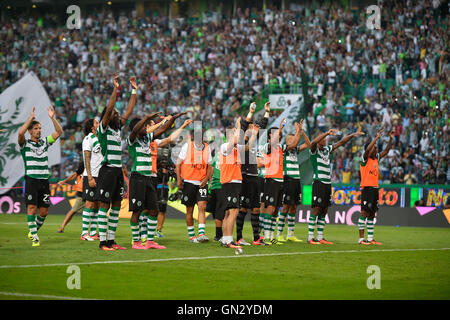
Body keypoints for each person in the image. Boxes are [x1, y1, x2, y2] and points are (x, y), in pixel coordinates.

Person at [96, 75, 137, 251]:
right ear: (107, 115)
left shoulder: (117, 128)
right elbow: (110, 107)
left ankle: (111, 241)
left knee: (116, 207)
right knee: (104, 207)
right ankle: (102, 242)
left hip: (118, 171)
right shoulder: (103, 128)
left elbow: (129, 110)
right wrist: (116, 88)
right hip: (106, 171)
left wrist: (134, 90)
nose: (117, 113)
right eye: (114, 113)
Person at [307, 127, 364, 245]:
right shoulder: (313, 150)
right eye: (323, 138)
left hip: (328, 183)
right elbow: (312, 143)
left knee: (324, 210)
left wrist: (352, 135)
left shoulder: (327, 149)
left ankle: (320, 237)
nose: (325, 140)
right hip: (318, 182)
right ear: (319, 139)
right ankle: (310, 237)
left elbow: (341, 142)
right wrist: (326, 132)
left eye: (326, 138)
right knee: (316, 209)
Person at [127, 112, 174, 249]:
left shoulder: (148, 138)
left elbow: (163, 130)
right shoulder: (131, 139)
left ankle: (149, 241)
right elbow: (137, 130)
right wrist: (147, 118)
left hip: (148, 178)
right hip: (137, 177)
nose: (145, 129)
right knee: (137, 211)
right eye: (143, 127)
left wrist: (172, 120)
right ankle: (136, 242)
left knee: (154, 209)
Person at [18, 106, 63, 247]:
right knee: (31, 208)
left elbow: (59, 132)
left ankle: (33, 230)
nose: (39, 130)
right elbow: (20, 133)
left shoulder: (45, 142)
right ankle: (35, 238)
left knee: (44, 211)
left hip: (44, 181)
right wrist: (30, 119)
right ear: (30, 131)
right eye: (36, 128)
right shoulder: (25, 144)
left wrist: (52, 118)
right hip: (31, 179)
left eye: (39, 128)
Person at [259, 119, 303, 245]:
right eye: (276, 134)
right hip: (271, 180)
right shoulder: (267, 147)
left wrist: (298, 131)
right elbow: (272, 143)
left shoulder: (280, 148)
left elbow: (294, 144)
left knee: (276, 209)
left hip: (280, 181)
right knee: (270, 207)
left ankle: (271, 236)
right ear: (270, 136)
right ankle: (266, 236)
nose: (280, 135)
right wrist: (280, 128)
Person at [219, 118, 258, 248]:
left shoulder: (235, 149)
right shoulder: (225, 147)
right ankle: (229, 240)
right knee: (234, 211)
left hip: (234, 182)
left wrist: (254, 134)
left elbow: (248, 147)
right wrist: (239, 127)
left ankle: (225, 239)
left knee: (229, 213)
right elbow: (236, 140)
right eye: (233, 133)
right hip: (230, 182)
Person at [235, 101, 269, 246]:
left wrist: (267, 111)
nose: (254, 126)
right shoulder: (243, 139)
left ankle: (256, 238)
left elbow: (262, 125)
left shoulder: (253, 134)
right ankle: (239, 238)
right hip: (246, 176)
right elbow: (244, 127)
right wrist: (250, 113)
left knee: (256, 208)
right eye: (251, 125)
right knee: (243, 208)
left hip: (255, 176)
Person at [176, 127, 213, 243]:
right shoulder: (187, 146)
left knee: (202, 207)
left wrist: (207, 179)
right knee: (190, 210)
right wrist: (179, 180)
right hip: (188, 182)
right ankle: (192, 236)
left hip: (202, 183)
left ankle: (201, 234)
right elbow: (178, 164)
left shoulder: (207, 148)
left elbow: (210, 166)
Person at [358, 129, 393, 245]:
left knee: (372, 214)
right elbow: (368, 149)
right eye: (375, 147)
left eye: (377, 148)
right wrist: (376, 138)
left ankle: (371, 238)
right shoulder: (364, 159)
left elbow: (387, 151)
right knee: (364, 213)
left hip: (374, 189)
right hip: (367, 188)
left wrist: (391, 139)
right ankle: (361, 239)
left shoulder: (376, 158)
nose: (376, 149)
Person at [276, 126, 311, 242]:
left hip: (296, 180)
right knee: (285, 206)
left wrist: (302, 132)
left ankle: (290, 235)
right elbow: (295, 143)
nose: (293, 142)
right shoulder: (283, 149)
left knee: (294, 207)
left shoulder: (295, 150)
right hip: (288, 179)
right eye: (291, 140)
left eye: (294, 140)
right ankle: (279, 233)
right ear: (287, 142)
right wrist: (297, 133)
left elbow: (308, 144)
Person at [80, 118, 104, 240]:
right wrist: (89, 177)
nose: (99, 124)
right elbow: (86, 158)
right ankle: (84, 233)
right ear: (92, 127)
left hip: (100, 175)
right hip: (91, 175)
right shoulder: (88, 139)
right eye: (96, 123)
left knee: (96, 204)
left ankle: (93, 232)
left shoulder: (100, 139)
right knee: (89, 203)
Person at [55, 162, 86, 236]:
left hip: (93, 190)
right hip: (83, 192)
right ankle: (62, 227)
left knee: (93, 212)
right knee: (74, 210)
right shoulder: (84, 163)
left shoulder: (96, 161)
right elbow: (75, 174)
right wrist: (64, 181)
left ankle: (92, 232)